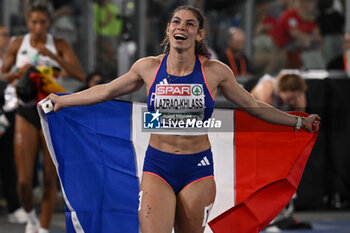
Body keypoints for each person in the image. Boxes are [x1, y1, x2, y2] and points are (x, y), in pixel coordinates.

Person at [42, 6, 320, 233]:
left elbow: (254, 106)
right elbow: (106, 91)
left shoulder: (215, 72)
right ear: (168, 30)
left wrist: (298, 123)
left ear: (199, 34)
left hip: (196, 169)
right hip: (158, 166)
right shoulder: (148, 67)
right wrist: (63, 99)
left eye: (189, 25)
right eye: (176, 22)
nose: (181, 28)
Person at [1, 3, 85, 233]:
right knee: (24, 181)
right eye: (34, 22)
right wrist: (17, 74)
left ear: (49, 23)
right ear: (28, 23)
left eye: (43, 22)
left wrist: (53, 57)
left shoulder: (58, 44)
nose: (38, 27)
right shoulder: (18, 44)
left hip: (50, 110)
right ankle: (31, 219)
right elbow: (3, 74)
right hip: (25, 110)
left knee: (50, 178)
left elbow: (80, 74)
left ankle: (44, 228)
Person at [0, 24, 27, 224]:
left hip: (8, 115)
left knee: (9, 162)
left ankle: (14, 206)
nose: (7, 38)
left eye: (8, 34)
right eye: (4, 35)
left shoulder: (8, 59)